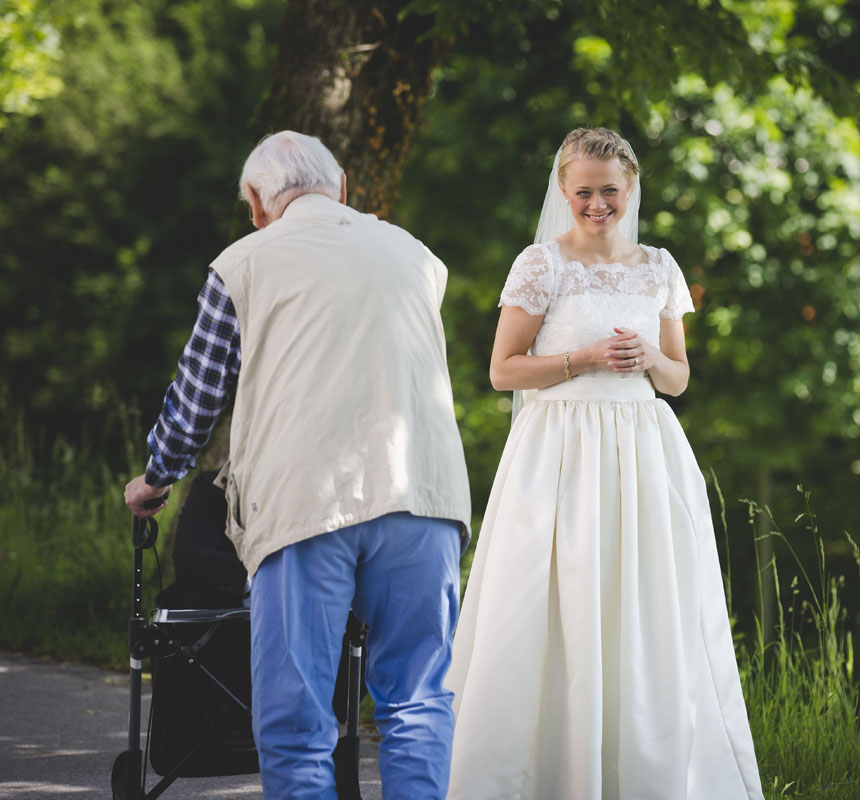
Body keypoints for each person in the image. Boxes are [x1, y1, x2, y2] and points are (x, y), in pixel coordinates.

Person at [123, 130, 471, 800]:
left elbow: (199, 398)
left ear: (258, 202)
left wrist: (156, 477)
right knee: (417, 701)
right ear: (341, 190)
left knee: (296, 722)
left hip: (308, 506)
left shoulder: (243, 263)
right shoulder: (417, 257)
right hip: (424, 498)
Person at [445, 127, 764, 799]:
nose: (597, 205)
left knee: (642, 605)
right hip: (559, 452)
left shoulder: (660, 267)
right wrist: (582, 360)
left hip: (645, 453)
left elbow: (678, 379)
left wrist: (648, 358)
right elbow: (503, 370)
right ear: (564, 192)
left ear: (631, 189)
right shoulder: (541, 264)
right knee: (554, 602)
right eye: (584, 192)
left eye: (609, 192)